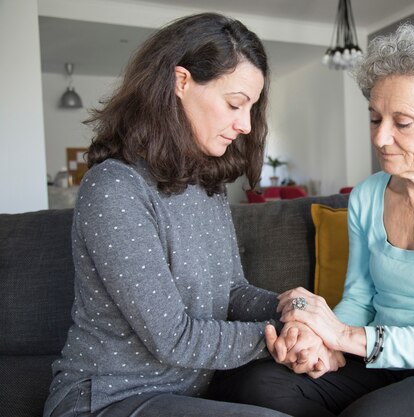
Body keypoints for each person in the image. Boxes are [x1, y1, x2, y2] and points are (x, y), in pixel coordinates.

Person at [212, 22, 414, 417]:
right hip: (384, 362)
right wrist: (322, 348)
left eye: (402, 122)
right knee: (255, 384)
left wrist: (344, 337)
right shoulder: (367, 196)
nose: (380, 138)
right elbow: (360, 298)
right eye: (375, 118)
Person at [43, 12, 336, 417]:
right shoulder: (114, 188)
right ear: (181, 82)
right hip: (109, 398)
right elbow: (174, 338)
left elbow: (232, 293)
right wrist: (280, 336)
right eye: (235, 104)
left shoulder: (205, 185)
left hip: (188, 390)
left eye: (251, 107)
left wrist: (292, 309)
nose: (246, 125)